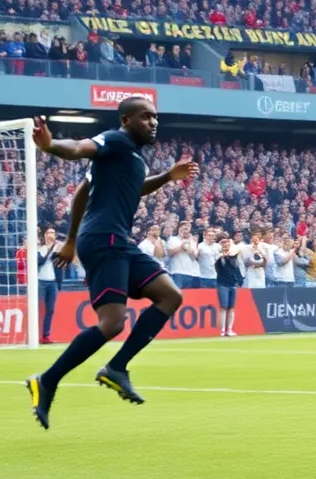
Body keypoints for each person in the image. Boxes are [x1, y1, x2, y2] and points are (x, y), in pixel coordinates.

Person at [25, 101, 198, 429]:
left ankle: (116, 367)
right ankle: (47, 380)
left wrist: (167, 177)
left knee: (170, 296)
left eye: (155, 117)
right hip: (105, 239)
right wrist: (49, 146)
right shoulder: (114, 141)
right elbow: (78, 147)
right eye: (145, 116)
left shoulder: (130, 157)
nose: (152, 122)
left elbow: (84, 192)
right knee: (112, 323)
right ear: (125, 119)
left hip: (116, 240)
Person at [37, 227, 63, 344]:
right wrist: (51, 247)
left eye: (53, 233)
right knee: (37, 309)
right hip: (40, 282)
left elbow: (61, 265)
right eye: (49, 233)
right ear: (45, 235)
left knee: (50, 310)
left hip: (52, 282)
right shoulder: (40, 249)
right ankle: (33, 334)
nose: (51, 235)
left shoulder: (57, 250)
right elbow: (40, 261)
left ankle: (46, 335)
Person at [215, 237, 242, 337]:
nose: (226, 248)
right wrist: (223, 256)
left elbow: (236, 269)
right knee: (224, 307)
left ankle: (229, 329)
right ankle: (222, 330)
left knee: (231, 308)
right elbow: (219, 268)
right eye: (224, 246)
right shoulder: (219, 258)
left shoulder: (233, 258)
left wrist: (239, 279)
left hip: (232, 283)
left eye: (228, 246)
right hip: (223, 283)